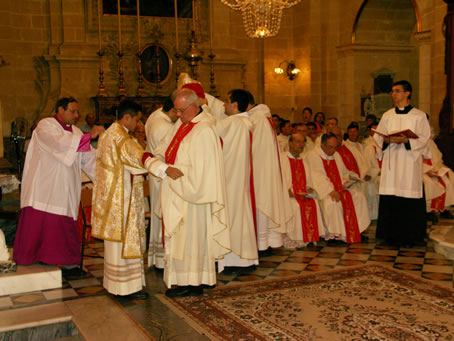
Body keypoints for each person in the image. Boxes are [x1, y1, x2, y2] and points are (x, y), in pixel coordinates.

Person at [91, 100, 182, 300]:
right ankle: (125, 289)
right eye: (137, 120)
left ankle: (116, 285)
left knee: (115, 245)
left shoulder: (108, 134)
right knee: (124, 242)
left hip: (113, 198)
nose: (139, 125)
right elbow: (139, 158)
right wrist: (165, 169)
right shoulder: (122, 138)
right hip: (123, 199)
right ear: (127, 117)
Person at [147, 88, 230, 298]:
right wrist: (160, 163)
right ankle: (184, 280)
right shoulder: (181, 124)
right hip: (178, 192)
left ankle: (193, 282)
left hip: (193, 198)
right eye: (175, 110)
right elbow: (163, 148)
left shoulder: (204, 131)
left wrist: (173, 174)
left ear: (194, 107)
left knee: (191, 241)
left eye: (181, 110)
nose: (177, 114)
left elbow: (203, 173)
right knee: (180, 242)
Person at [13, 97, 104, 278]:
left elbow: (88, 159)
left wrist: (107, 174)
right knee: (42, 224)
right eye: (72, 111)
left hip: (65, 188)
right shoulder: (45, 126)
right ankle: (38, 257)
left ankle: (67, 264)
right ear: (60, 110)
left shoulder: (76, 131)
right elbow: (60, 143)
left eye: (77, 111)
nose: (76, 115)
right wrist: (89, 136)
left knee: (63, 226)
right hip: (44, 186)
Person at [374, 80, 431, 247]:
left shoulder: (419, 116)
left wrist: (406, 140)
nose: (393, 94)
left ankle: (411, 236)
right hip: (392, 163)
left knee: (408, 198)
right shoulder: (387, 115)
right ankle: (389, 236)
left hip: (408, 163)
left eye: (397, 91)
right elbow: (378, 138)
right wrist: (386, 140)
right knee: (391, 197)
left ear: (407, 94)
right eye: (392, 91)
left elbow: (425, 139)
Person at [217, 89, 258, 275]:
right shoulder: (242, 123)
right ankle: (243, 259)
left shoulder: (234, 124)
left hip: (232, 179)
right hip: (237, 178)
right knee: (240, 217)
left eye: (226, 101)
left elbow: (212, 128)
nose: (223, 105)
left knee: (233, 217)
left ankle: (236, 260)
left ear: (234, 105)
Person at [247, 92, 291, 255]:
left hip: (260, 170)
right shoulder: (263, 117)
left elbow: (253, 147)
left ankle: (262, 244)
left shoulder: (257, 119)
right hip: (265, 169)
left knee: (262, 205)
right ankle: (266, 242)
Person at [307, 133, 370, 244]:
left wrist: (346, 181)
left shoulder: (336, 154)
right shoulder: (313, 155)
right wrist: (330, 191)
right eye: (330, 147)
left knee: (359, 197)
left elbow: (343, 173)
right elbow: (317, 177)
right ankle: (335, 235)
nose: (333, 150)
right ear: (322, 145)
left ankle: (357, 231)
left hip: (339, 188)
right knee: (332, 203)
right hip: (323, 191)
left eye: (335, 147)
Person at [144, 97, 178, 270]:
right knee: (162, 215)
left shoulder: (154, 116)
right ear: (172, 110)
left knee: (159, 217)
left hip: (156, 175)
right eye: (177, 112)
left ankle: (158, 257)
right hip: (162, 175)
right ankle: (163, 258)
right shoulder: (165, 126)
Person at [280, 133, 325, 248]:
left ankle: (309, 238)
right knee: (295, 206)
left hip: (302, 195)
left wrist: (309, 188)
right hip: (287, 196)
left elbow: (309, 180)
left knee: (313, 202)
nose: (301, 145)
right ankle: (296, 238)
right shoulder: (282, 158)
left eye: (302, 142)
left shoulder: (304, 160)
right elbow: (277, 179)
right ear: (290, 143)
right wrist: (286, 191)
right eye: (298, 142)